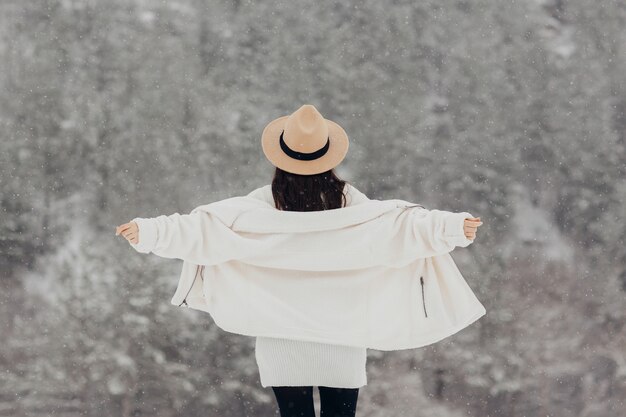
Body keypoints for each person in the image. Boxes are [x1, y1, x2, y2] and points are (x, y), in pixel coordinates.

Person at [116, 104, 483, 417]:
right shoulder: (351, 205)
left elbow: (202, 229)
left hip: (281, 334)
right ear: (329, 155)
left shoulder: (260, 204)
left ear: (280, 155)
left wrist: (148, 232)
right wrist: (452, 227)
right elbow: (401, 226)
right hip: (343, 331)